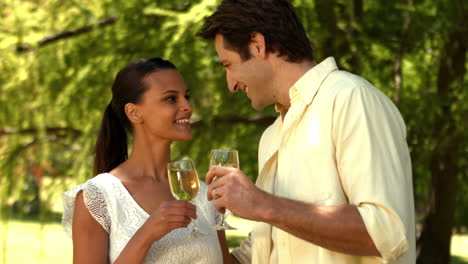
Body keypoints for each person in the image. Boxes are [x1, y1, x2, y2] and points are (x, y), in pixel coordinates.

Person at [197, 0, 416, 263]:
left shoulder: (350, 99)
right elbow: (265, 249)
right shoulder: (271, 137)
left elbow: (386, 234)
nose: (230, 84)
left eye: (228, 65)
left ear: (257, 44)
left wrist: (263, 204)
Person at [62, 58, 230, 264]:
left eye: (186, 96)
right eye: (171, 99)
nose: (187, 106)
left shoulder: (205, 196)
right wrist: (146, 235)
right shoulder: (97, 198)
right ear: (134, 112)